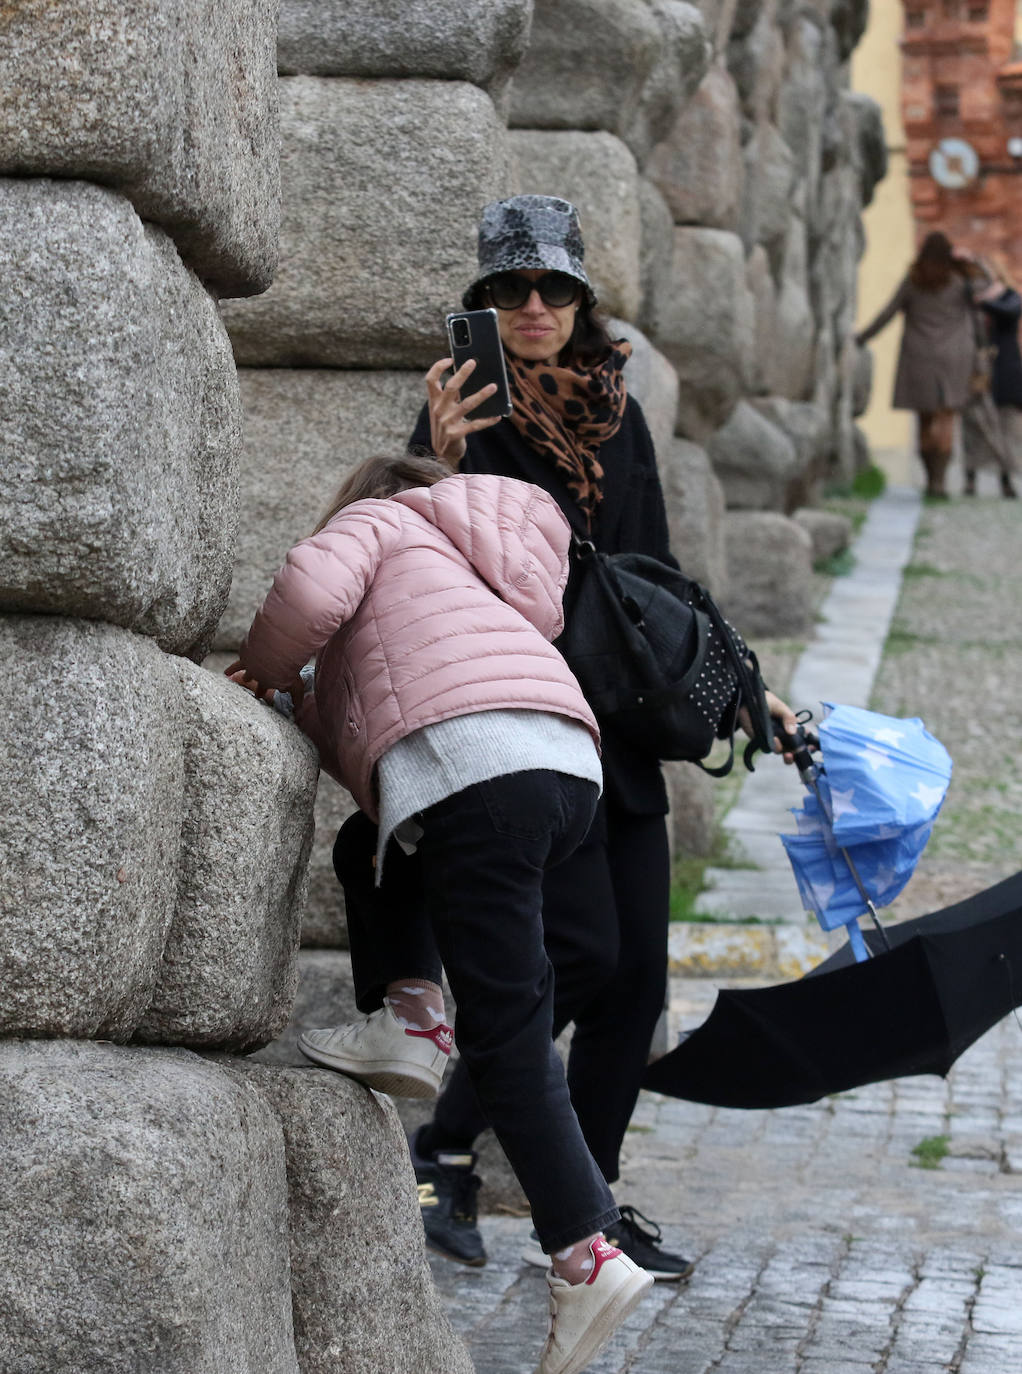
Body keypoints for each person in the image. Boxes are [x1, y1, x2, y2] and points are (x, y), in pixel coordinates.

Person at [333, 194, 798, 1281]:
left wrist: (744, 684)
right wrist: (437, 456)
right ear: (484, 301)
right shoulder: (465, 412)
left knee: (634, 981)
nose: (532, 306)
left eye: (551, 288)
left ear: (581, 298)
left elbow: (654, 575)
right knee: (577, 956)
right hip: (529, 723)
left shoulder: (615, 412)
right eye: (509, 289)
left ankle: (584, 1196)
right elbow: (420, 559)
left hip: (622, 721)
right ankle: (448, 1152)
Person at [227, 451, 655, 1374]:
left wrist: (260, 670)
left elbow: (308, 589)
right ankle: (413, 1017)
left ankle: (586, 1250)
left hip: (477, 769)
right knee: (371, 851)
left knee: (509, 1031)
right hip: (560, 765)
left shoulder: (384, 522)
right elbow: (385, 709)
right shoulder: (485, 564)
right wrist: (306, 699)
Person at [856, 230, 977, 499]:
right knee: (946, 419)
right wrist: (969, 262)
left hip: (919, 357)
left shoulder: (914, 282)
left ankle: (929, 478)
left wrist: (862, 337)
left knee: (924, 419)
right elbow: (982, 299)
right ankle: (940, 480)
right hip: (953, 359)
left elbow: (887, 313)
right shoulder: (958, 283)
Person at [964, 253, 1021, 499]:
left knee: (1005, 429)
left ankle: (1006, 480)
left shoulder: (1010, 298)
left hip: (1006, 371)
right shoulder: (969, 302)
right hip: (977, 370)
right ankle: (970, 478)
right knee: (974, 426)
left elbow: (1007, 311)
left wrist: (985, 299)